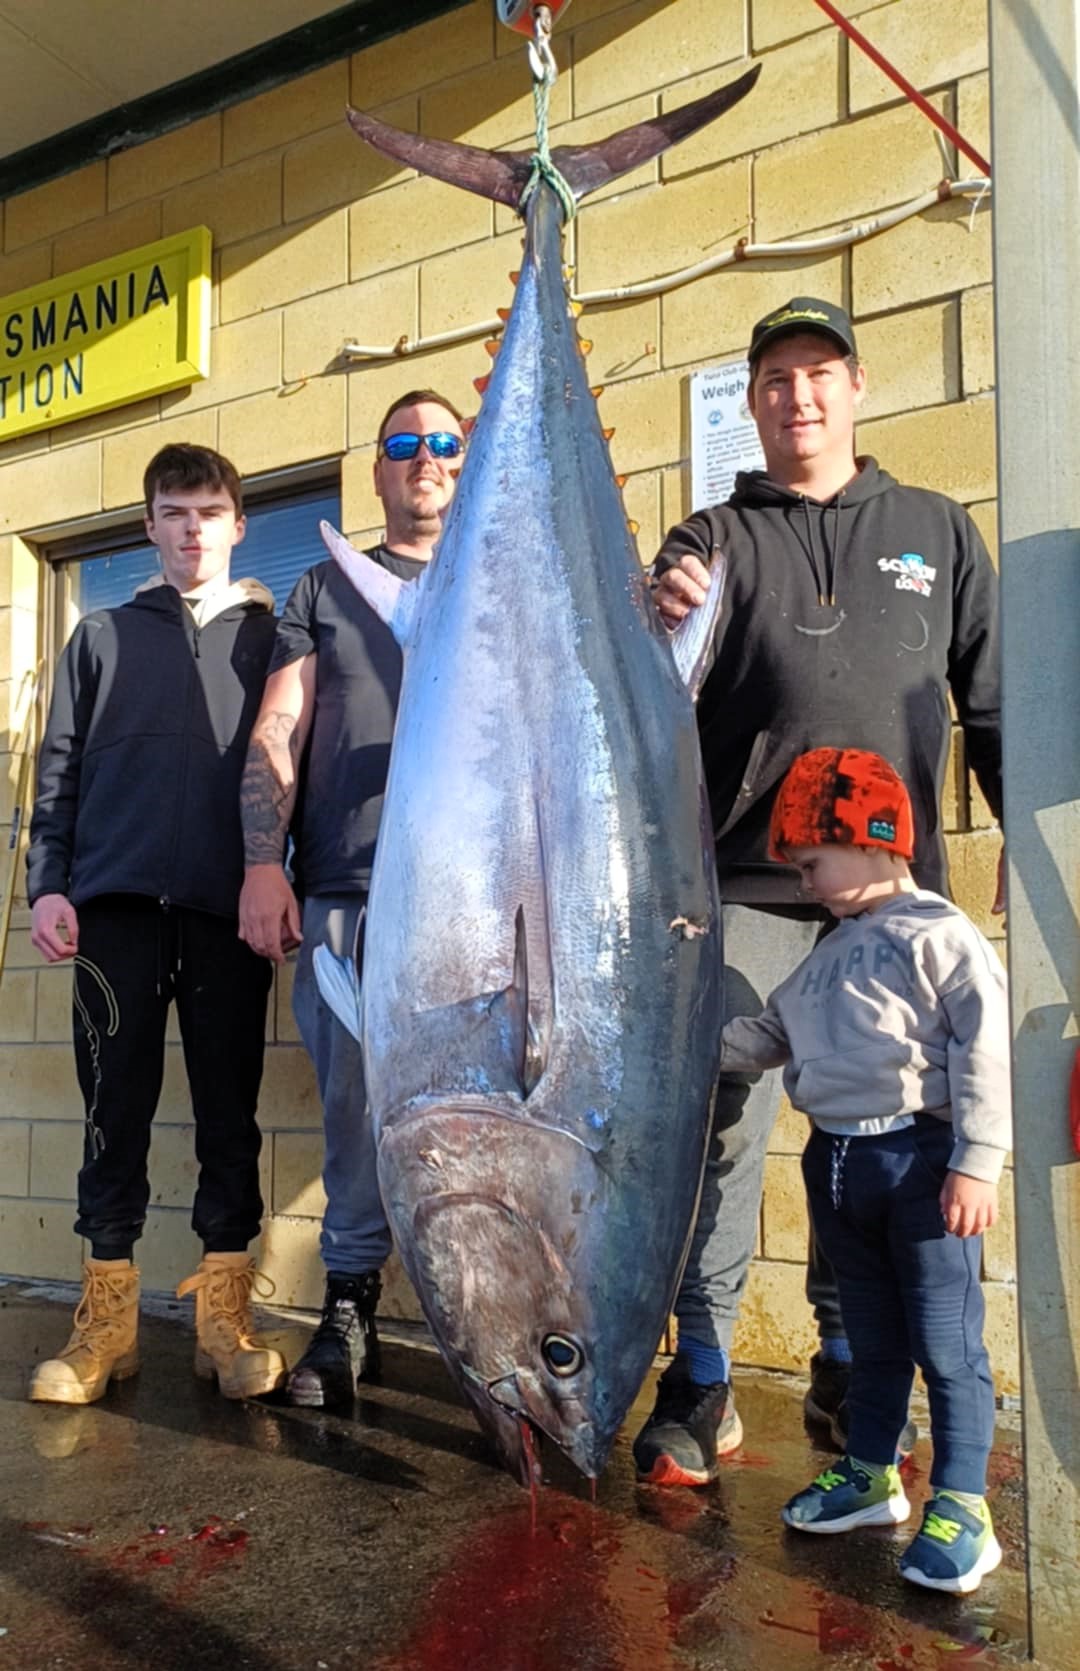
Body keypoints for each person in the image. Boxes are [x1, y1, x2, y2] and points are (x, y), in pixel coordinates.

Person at [633, 297, 1003, 1486]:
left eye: (820, 373)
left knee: (876, 1130)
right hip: (744, 885)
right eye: (777, 377)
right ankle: (702, 1375)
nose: (800, 395)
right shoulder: (715, 534)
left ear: (858, 388)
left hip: (895, 907)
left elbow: (993, 708)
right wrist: (663, 605)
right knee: (721, 1141)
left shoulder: (936, 530)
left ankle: (854, 1362)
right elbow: (654, 675)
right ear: (751, 403)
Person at [26, 443, 283, 1406]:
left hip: (228, 913)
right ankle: (107, 1328)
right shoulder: (99, 636)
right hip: (114, 914)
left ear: (236, 524)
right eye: (173, 512)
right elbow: (59, 774)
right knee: (111, 1116)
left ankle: (224, 1319)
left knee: (230, 1114)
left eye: (209, 511)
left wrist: (276, 874)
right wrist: (50, 884)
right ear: (148, 525)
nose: (191, 528)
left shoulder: (270, 638)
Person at [720, 747, 1009, 1595]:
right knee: (872, 1342)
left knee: (947, 1344)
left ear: (873, 838)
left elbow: (984, 1048)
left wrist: (978, 1162)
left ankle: (961, 1504)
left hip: (920, 1162)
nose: (803, 881)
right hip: (837, 1165)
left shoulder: (939, 934)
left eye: (810, 860)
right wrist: (681, 1045)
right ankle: (872, 1474)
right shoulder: (820, 963)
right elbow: (758, 1040)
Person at [238, 389, 466, 1407]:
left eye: (446, 443)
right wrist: (262, 859)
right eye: (403, 444)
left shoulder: (497, 585)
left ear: (466, 465)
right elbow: (280, 727)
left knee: (478, 1120)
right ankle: (348, 1306)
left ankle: (483, 1323)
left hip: (480, 912)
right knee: (354, 1115)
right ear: (376, 470)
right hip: (348, 897)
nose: (426, 458)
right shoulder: (322, 588)